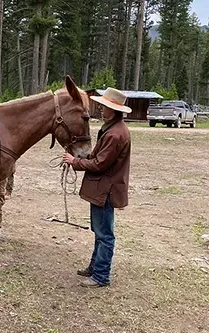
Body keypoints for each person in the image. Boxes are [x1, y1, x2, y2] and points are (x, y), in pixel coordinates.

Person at [63, 87, 131, 288]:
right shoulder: (113, 129)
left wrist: (75, 162)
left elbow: (100, 164)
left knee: (104, 235)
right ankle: (95, 268)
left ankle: (101, 276)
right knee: (100, 231)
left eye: (105, 107)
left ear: (114, 110)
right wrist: (81, 158)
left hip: (105, 190)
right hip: (103, 189)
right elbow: (97, 157)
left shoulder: (115, 134)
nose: (101, 109)